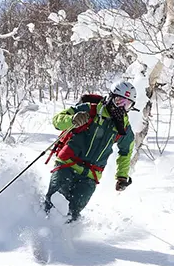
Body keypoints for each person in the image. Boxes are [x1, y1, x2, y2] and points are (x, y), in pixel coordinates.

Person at [43, 81, 136, 222]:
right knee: (54, 203)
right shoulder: (89, 110)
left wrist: (122, 176)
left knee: (73, 213)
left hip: (91, 176)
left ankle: (63, 239)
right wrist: (72, 119)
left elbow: (126, 152)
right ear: (111, 97)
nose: (122, 107)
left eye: (127, 104)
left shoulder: (123, 127)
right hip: (67, 165)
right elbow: (57, 121)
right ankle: (39, 229)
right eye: (119, 101)